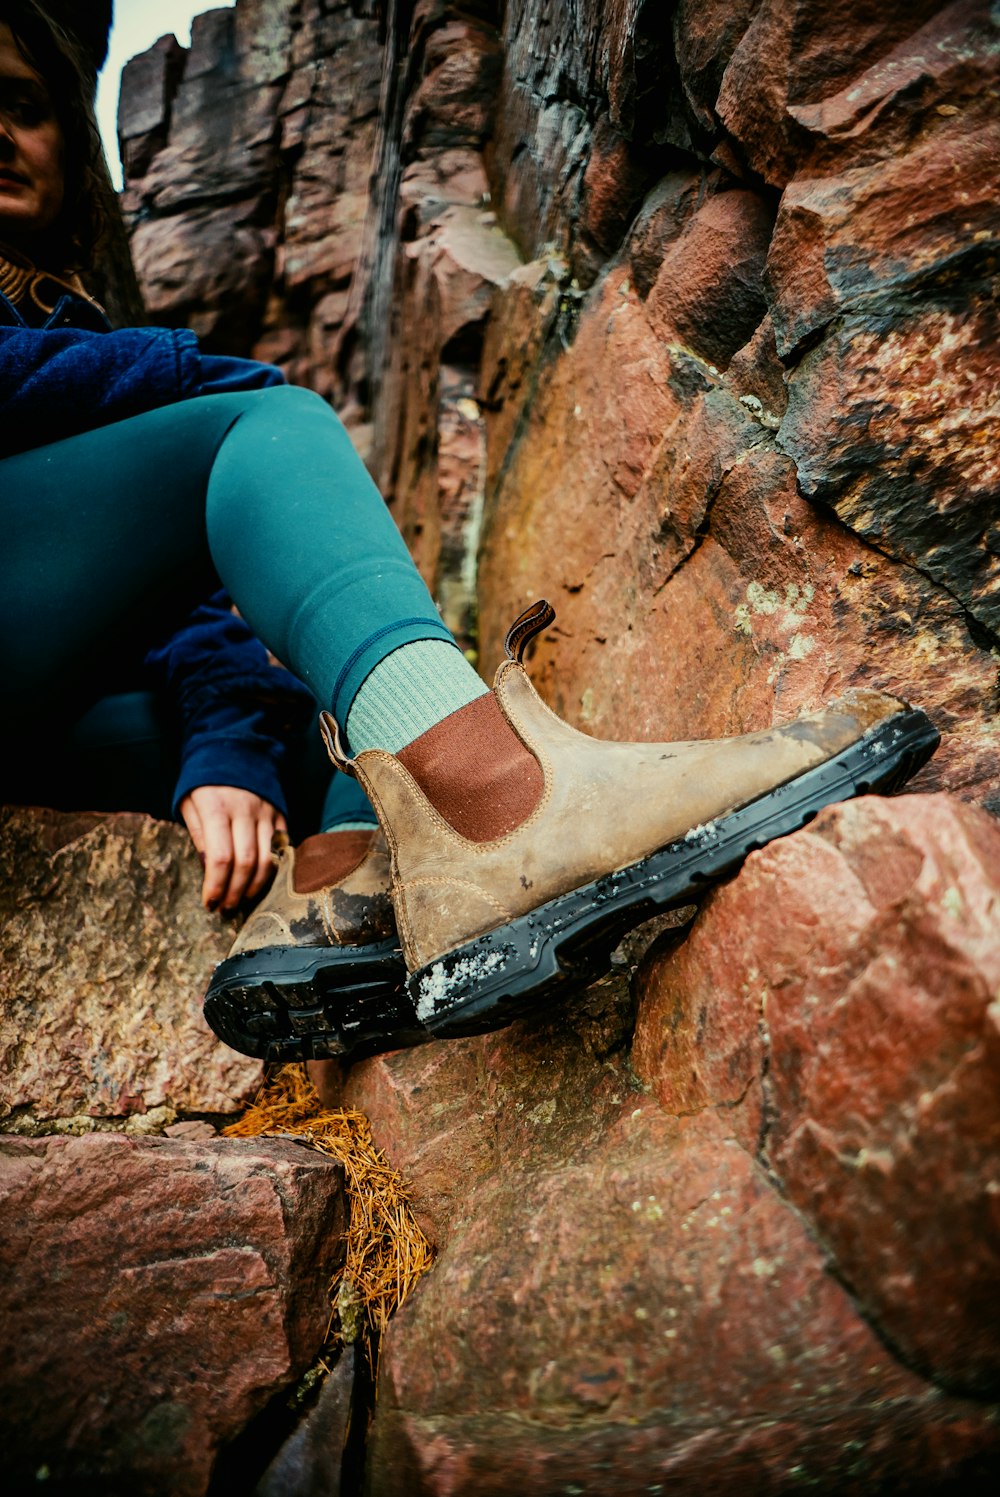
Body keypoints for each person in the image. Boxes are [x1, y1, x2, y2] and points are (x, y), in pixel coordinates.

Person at [0, 1, 938, 1066]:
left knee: (316, 689)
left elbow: (185, 617)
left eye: (22, 105)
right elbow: (213, 428)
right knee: (263, 429)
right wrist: (185, 379)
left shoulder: (54, 323)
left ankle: (336, 902)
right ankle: (507, 810)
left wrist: (225, 751)